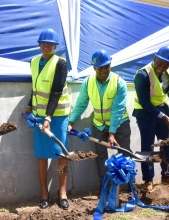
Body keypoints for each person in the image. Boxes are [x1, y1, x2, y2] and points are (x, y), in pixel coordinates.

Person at [68, 49, 132, 186]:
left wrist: (112, 133)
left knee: (124, 153)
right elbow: (81, 103)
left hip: (120, 124)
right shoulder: (88, 82)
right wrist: (71, 121)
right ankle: (105, 186)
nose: (104, 70)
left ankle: (126, 185)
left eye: (107, 67)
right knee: (101, 156)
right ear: (94, 67)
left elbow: (118, 109)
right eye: (100, 67)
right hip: (99, 125)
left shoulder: (119, 82)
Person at [23, 29, 71, 210]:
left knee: (61, 154)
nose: (46, 46)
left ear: (55, 46)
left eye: (50, 44)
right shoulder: (34, 61)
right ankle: (44, 193)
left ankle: (62, 192)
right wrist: (29, 105)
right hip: (38, 115)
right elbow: (35, 88)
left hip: (57, 115)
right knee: (42, 154)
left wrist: (49, 116)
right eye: (43, 43)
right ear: (39, 44)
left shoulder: (60, 63)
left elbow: (56, 91)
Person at [133, 45, 169, 191]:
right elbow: (144, 102)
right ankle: (148, 180)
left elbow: (167, 87)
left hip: (162, 109)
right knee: (147, 147)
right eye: (160, 62)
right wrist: (164, 117)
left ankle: (167, 175)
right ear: (154, 58)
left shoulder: (168, 69)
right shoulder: (142, 75)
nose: (162, 66)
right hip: (145, 113)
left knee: (166, 144)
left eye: (166, 64)